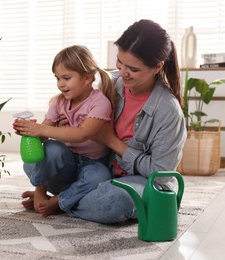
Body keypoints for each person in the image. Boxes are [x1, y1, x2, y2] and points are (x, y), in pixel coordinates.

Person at [20, 19, 187, 224]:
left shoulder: (168, 111)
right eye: (120, 62)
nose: (123, 72)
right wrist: (58, 126)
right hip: (96, 171)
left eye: (133, 69)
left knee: (115, 201)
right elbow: (76, 106)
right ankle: (70, 197)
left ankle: (62, 201)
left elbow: (160, 176)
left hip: (138, 181)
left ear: (157, 67)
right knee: (48, 154)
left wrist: (111, 140)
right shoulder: (111, 83)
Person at [13, 45, 116, 217]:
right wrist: (31, 132)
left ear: (87, 78)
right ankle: (40, 188)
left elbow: (83, 133)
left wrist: (43, 129)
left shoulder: (100, 102)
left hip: (91, 163)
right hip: (65, 164)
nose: (61, 84)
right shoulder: (59, 102)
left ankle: (59, 201)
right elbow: (45, 134)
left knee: (100, 176)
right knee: (52, 150)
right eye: (57, 78)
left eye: (66, 78)